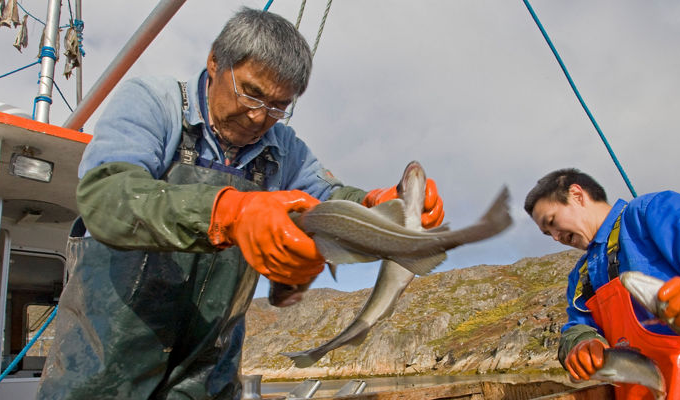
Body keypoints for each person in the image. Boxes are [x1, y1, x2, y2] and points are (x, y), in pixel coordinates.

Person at [37, 7, 444, 400]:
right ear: (215, 61)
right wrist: (229, 213)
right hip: (103, 367)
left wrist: (382, 205)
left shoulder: (284, 149)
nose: (257, 117)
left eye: (277, 106)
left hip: (207, 376)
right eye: (251, 93)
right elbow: (109, 196)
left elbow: (333, 199)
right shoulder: (152, 103)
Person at [524, 168, 680, 399]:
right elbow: (577, 325)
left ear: (577, 195)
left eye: (552, 221)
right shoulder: (580, 276)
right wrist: (581, 343)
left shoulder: (651, 212)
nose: (556, 237)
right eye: (548, 234)